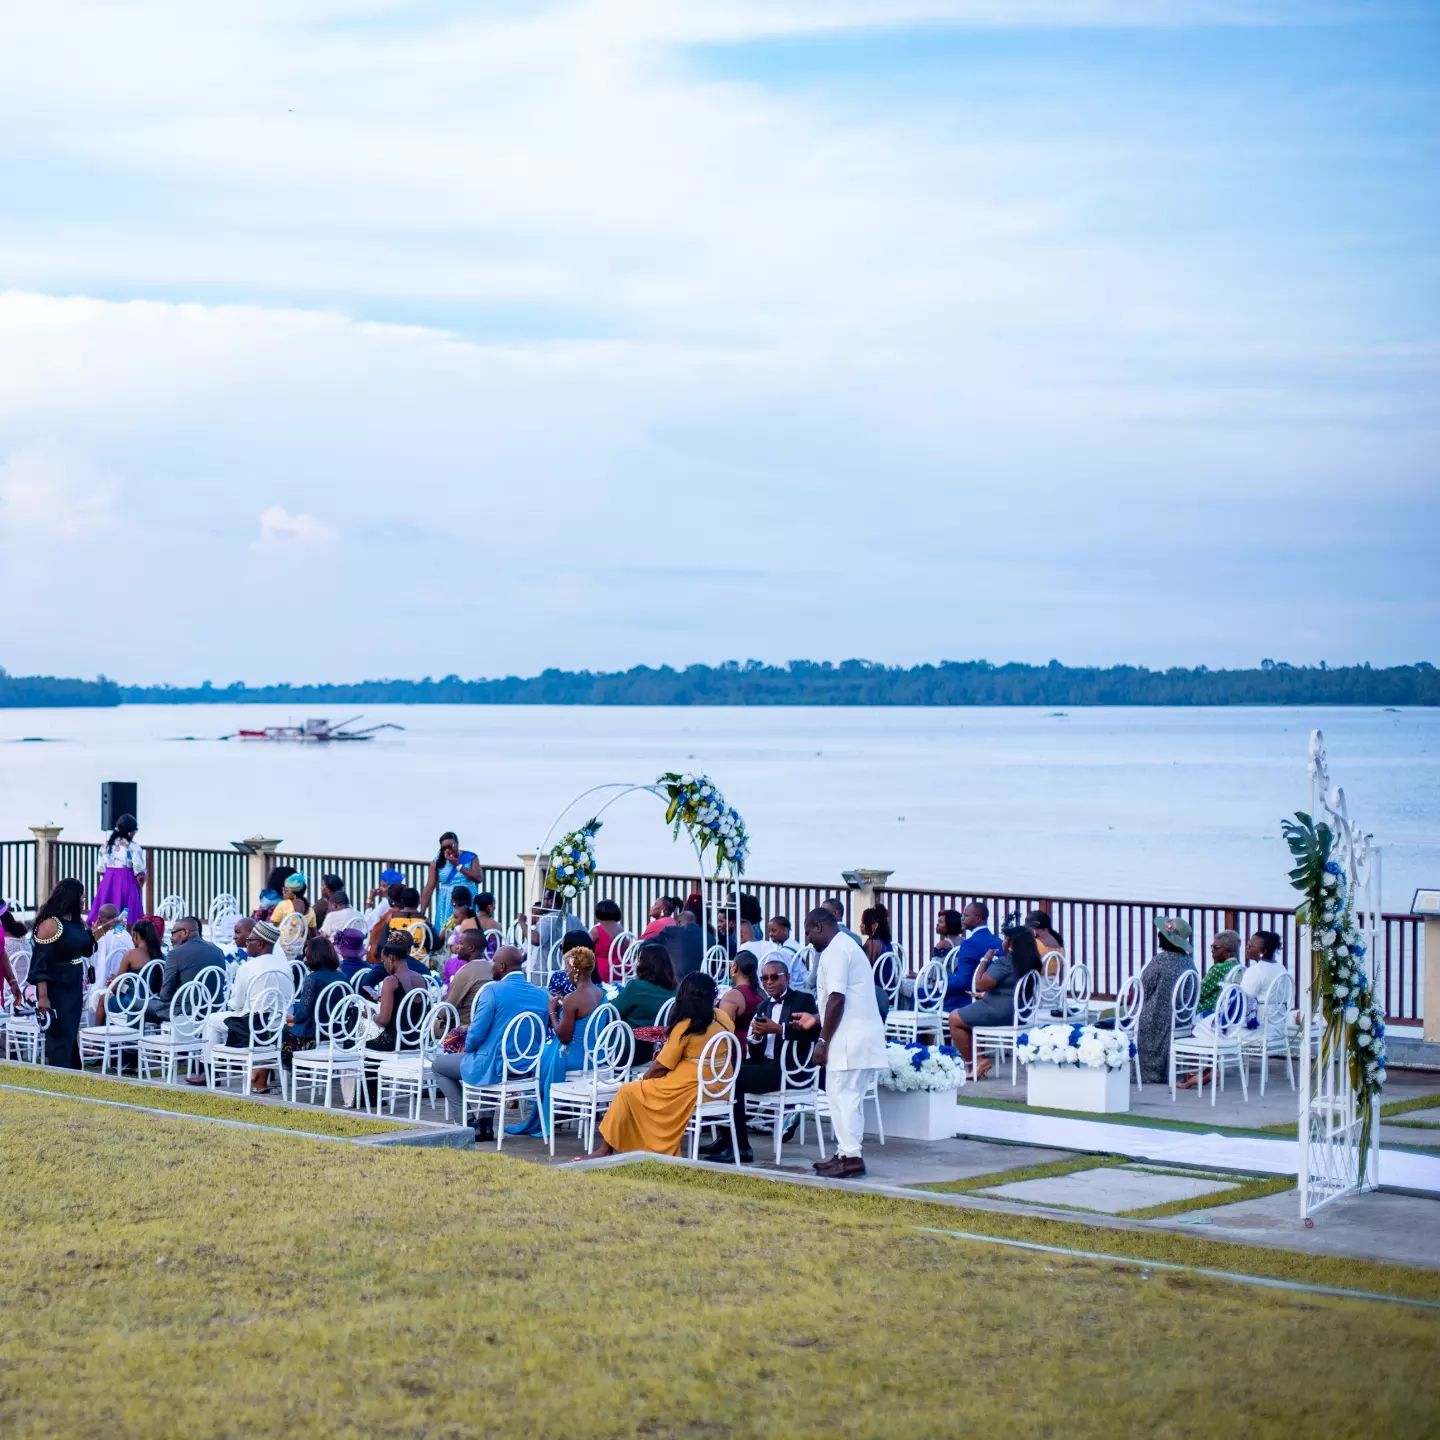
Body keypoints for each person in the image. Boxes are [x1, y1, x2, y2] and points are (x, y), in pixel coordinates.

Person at [581, 973, 735, 1159]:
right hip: (720, 1086)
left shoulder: (686, 1026)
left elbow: (662, 1066)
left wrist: (643, 1080)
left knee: (627, 1091)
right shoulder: (722, 1017)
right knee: (639, 1091)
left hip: (690, 1088)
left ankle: (605, 1150)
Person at [787, 907, 886, 1179]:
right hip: (854, 1035)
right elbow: (845, 1000)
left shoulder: (838, 950)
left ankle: (851, 1158)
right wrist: (816, 1018)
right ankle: (845, 1153)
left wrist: (822, 1040)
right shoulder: (843, 946)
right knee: (842, 1096)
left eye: (808, 932)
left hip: (850, 1040)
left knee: (845, 1096)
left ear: (819, 926)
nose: (808, 939)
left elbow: (837, 999)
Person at [702, 956, 819, 1164]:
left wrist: (779, 1029)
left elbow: (813, 1033)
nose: (769, 982)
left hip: (792, 1070)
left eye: (775, 977)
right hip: (767, 1065)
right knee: (723, 1070)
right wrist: (755, 1038)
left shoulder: (803, 1000)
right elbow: (756, 1054)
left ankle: (741, 1147)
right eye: (764, 978)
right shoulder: (763, 1006)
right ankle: (726, 1137)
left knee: (734, 1078)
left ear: (787, 978)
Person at [428, 946, 549, 1139]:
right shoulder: (541, 994)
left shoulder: (493, 991)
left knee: (439, 1066)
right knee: (488, 1054)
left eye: (493, 962)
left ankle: (467, 1122)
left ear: (502, 966)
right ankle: (485, 1125)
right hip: (526, 1066)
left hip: (495, 1065)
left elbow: (475, 1036)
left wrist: (467, 1047)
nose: (490, 966)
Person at [509, 944, 605, 1137]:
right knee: (545, 1053)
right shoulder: (600, 993)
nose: (566, 973)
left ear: (575, 970)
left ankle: (545, 1114)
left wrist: (553, 1010)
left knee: (540, 1056)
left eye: (567, 968)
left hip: (574, 1057)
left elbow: (563, 1036)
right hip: (594, 1053)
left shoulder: (573, 998)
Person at [190, 920, 293, 1087]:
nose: (246, 943)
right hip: (276, 1028)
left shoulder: (248, 967)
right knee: (232, 1016)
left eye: (250, 940)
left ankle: (209, 1073)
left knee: (211, 1020)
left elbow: (236, 1005)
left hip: (252, 1029)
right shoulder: (285, 967)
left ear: (260, 944)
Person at [1180, 930, 1286, 1088]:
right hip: (1277, 1024)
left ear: (1263, 951)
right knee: (1211, 1023)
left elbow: (1242, 1004)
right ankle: (1209, 1069)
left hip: (1259, 1029)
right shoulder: (1280, 967)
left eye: (1251, 946)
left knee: (1202, 1026)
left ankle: (1201, 1072)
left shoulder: (1255, 971)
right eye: (1247, 944)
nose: (1246, 948)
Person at [947, 923, 1044, 1079]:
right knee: (969, 1018)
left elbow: (980, 984)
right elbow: (1012, 988)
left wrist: (985, 960)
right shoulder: (1032, 962)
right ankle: (978, 1061)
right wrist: (986, 995)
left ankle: (975, 1062)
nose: (1002, 942)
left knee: (954, 1018)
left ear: (1011, 943)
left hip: (1000, 1011)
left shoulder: (1005, 962)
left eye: (1005, 939)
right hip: (1020, 1013)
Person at [29, 879, 97, 1069]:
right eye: (81, 896)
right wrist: (43, 997)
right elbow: (40, 964)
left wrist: (100, 930)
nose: (83, 900)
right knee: (59, 1035)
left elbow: (84, 949)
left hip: (73, 987)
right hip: (56, 989)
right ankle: (60, 1071)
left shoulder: (76, 922)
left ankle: (72, 1072)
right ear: (71, 897)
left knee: (70, 1032)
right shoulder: (51, 924)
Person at [1137, 915, 1199, 1085]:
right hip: (1181, 1020)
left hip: (1155, 1019)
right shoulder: (1189, 963)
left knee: (1112, 1018)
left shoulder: (1161, 960)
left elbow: (1143, 989)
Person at [283, 933, 349, 1066]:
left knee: (281, 1031)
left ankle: (290, 1070)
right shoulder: (342, 977)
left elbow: (303, 1013)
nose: (304, 958)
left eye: (306, 954)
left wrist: (292, 1018)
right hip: (337, 1033)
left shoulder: (312, 979)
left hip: (313, 1035)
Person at [146, 915, 225, 1023]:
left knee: (136, 1005)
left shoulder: (175, 954)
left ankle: (139, 1034)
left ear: (184, 932)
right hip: (214, 1010)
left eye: (173, 933)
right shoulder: (218, 951)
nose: (171, 938)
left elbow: (165, 995)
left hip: (187, 1013)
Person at [614, 942, 676, 1062]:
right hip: (659, 1051)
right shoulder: (675, 992)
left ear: (643, 964)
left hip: (627, 1051)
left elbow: (613, 1012)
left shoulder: (636, 987)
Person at [939, 901, 1004, 1014]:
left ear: (978, 919)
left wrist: (940, 984)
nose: (962, 918)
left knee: (919, 994)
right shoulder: (999, 942)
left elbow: (963, 982)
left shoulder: (969, 944)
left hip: (966, 1001)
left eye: (965, 916)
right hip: (992, 998)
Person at [88, 814, 147, 925]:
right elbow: (140, 873)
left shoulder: (106, 846)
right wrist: (137, 889)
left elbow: (101, 869)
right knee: (128, 918)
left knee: (105, 915)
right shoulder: (133, 847)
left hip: (108, 881)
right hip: (127, 882)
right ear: (130, 832)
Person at [422, 832, 482, 931]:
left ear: (457, 843)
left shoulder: (471, 857)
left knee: (468, 927)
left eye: (450, 846)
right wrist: (422, 912)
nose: (448, 850)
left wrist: (458, 865)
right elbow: (429, 887)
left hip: (467, 898)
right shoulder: (437, 862)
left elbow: (478, 878)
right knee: (446, 928)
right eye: (444, 848)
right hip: (447, 900)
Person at [369, 886, 436, 966]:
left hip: (396, 963)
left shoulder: (392, 919)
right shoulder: (424, 921)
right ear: (418, 903)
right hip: (420, 963)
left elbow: (382, 944)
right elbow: (435, 944)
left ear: (402, 901)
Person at [442, 929, 495, 1023]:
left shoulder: (464, 972)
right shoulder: (493, 969)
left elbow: (447, 1011)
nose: (457, 947)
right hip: (488, 1023)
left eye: (461, 943)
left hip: (465, 1024)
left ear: (471, 948)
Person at [717, 949, 763, 1045]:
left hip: (737, 1048)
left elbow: (723, 1032)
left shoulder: (732, 996)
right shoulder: (762, 992)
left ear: (734, 967)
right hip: (758, 1046)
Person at [1196, 929, 1242, 1016]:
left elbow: (1198, 993)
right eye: (1212, 947)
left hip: (1208, 1012)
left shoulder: (1219, 969)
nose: (1212, 950)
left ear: (1228, 952)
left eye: (1215, 947)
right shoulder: (1239, 967)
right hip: (1228, 1013)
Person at [661, 905, 705, 983]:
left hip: (679, 981)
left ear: (678, 922)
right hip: (702, 980)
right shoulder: (709, 937)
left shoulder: (672, 931)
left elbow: (647, 945)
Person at [591, 898, 624, 982]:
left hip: (602, 970)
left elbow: (586, 947)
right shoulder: (620, 929)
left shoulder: (596, 930)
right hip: (620, 968)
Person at [363, 869, 406, 933]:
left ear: (392, 888)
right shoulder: (403, 902)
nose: (380, 888)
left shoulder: (386, 903)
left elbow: (367, 922)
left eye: (384, 886)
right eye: (380, 885)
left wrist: (370, 898)